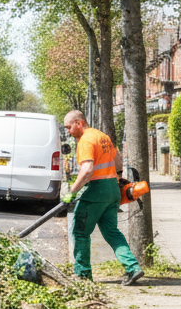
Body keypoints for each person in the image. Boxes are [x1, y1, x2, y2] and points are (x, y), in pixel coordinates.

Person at [61, 110, 143, 285]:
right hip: (112, 189)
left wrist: (72, 192)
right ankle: (133, 267)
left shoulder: (85, 140)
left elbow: (87, 170)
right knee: (111, 231)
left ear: (79, 123)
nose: (68, 131)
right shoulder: (102, 136)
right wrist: (119, 178)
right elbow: (118, 159)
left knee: (81, 232)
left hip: (96, 191)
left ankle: (83, 275)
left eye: (69, 127)